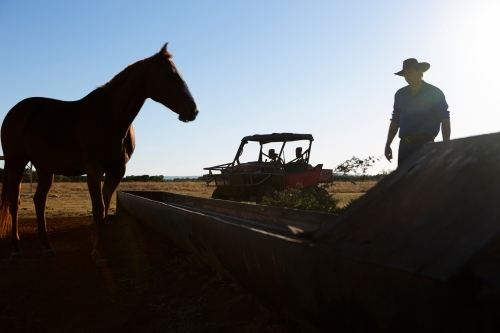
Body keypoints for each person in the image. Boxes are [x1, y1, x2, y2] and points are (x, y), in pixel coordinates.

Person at [385, 58, 451, 165]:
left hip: (425, 144)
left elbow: (445, 118)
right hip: (404, 146)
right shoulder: (400, 94)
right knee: (404, 180)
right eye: (405, 74)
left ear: (420, 71)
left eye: (410, 72)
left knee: (424, 179)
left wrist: (445, 145)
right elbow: (395, 120)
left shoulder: (434, 92)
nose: (407, 76)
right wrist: (388, 145)